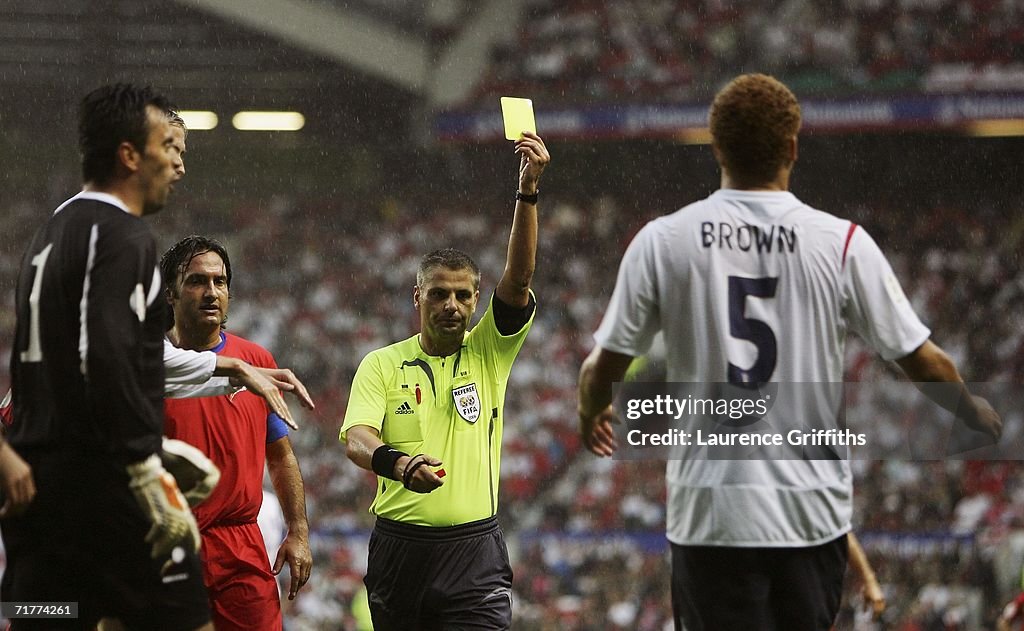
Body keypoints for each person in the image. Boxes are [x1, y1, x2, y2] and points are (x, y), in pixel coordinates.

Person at [576, 74, 1001, 631]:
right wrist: (973, 411)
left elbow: (602, 367)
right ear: (794, 147)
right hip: (811, 515)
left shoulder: (662, 241)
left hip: (711, 516)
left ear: (716, 146)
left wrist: (591, 411)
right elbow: (920, 359)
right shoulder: (842, 242)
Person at [3, 83, 212, 630]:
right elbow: (107, 353)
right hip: (106, 490)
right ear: (129, 155)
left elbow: (59, 362)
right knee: (188, 621)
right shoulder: (123, 235)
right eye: (168, 145)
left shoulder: (47, 237)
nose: (176, 163)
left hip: (37, 497)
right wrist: (145, 465)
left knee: (41, 618)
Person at [340, 130, 549, 629]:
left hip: (474, 552)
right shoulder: (382, 363)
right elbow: (357, 440)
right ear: (418, 298)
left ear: (476, 301)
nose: (451, 305)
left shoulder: (489, 352)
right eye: (438, 294)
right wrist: (398, 463)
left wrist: (527, 191)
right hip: (399, 548)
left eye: (462, 295)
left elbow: (518, 281)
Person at [161, 235, 312, 630]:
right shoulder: (143, 366)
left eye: (220, 281)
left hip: (240, 546)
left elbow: (280, 456)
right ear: (170, 294)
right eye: (196, 281)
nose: (211, 292)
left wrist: (298, 531)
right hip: (167, 545)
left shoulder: (256, 359)